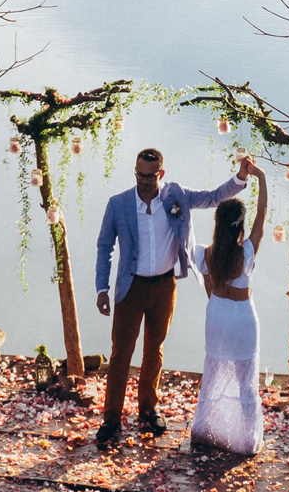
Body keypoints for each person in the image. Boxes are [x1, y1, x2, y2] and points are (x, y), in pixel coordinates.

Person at [91, 146, 250, 445]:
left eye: (151, 176)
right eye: (140, 174)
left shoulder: (176, 196)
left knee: (155, 349)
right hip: (130, 287)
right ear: (135, 172)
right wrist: (102, 288)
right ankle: (111, 418)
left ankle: (148, 409)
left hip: (165, 286)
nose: (145, 180)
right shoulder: (118, 204)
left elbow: (215, 196)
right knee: (120, 354)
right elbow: (104, 247)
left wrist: (240, 178)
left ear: (161, 174)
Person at [189, 160, 270, 454]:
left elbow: (209, 287)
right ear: (240, 225)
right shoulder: (246, 251)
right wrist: (259, 176)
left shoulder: (205, 255)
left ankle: (201, 430)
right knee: (245, 383)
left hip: (217, 314)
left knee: (212, 373)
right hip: (242, 318)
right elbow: (262, 213)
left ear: (217, 223)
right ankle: (248, 441)